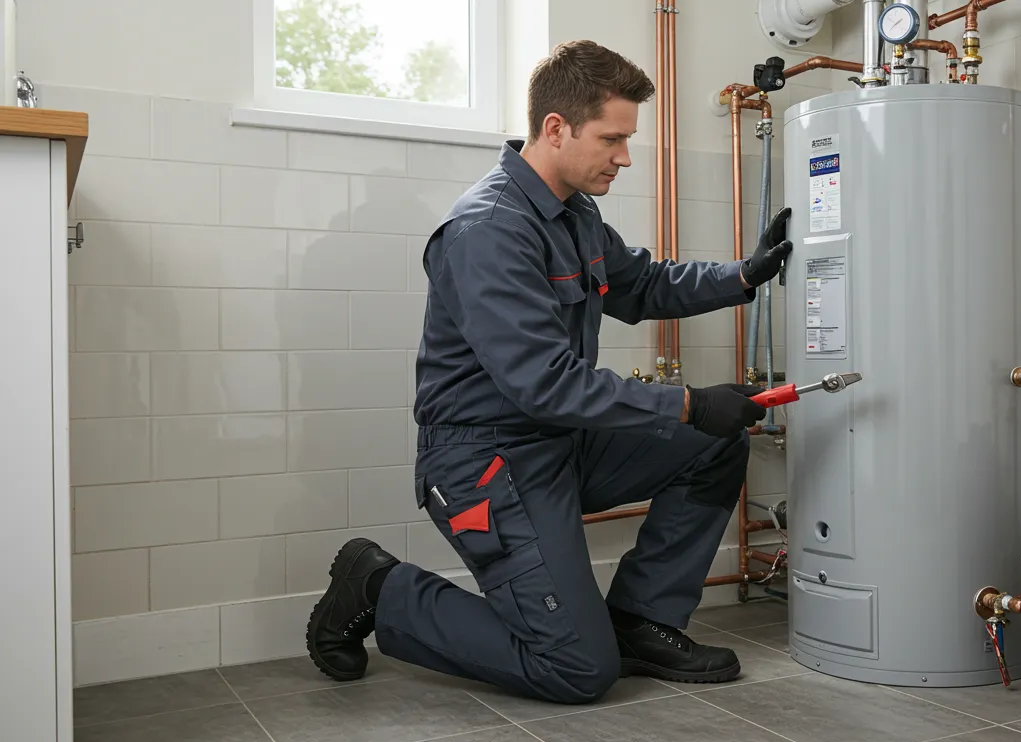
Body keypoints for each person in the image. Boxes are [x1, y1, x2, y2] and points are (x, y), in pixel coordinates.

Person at [304, 40, 792, 705]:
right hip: (486, 462)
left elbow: (642, 285)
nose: (624, 156)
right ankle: (380, 586)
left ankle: (641, 622)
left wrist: (744, 275)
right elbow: (545, 381)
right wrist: (685, 403)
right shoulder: (488, 229)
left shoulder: (574, 213)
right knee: (576, 670)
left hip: (558, 439)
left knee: (715, 442)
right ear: (556, 128)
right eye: (612, 139)